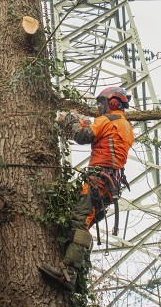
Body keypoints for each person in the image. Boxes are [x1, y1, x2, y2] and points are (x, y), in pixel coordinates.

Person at [39, 86, 134, 292]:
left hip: (99, 181)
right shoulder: (125, 126)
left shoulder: (106, 121)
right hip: (111, 185)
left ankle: (70, 272)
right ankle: (78, 274)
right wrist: (81, 122)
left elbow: (83, 136)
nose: (99, 108)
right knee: (86, 223)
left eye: (102, 104)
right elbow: (99, 133)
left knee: (79, 221)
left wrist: (72, 121)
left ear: (113, 103)